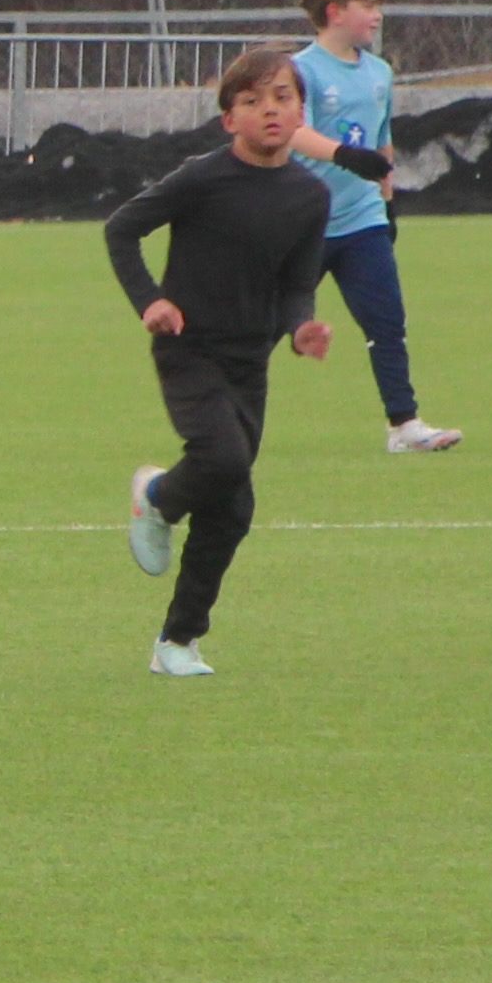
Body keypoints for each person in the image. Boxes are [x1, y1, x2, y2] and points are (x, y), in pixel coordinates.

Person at [109, 44, 336, 676]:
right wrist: (150, 301)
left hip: (249, 360)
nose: (270, 111)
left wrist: (299, 329)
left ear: (300, 112)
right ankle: (156, 495)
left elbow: (296, 284)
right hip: (188, 349)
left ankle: (176, 642)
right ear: (228, 119)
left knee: (234, 507)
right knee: (223, 457)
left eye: (283, 98)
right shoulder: (200, 178)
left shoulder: (309, 197)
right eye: (252, 101)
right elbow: (121, 229)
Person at [285, 0, 462, 454]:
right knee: (262, 325)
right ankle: (225, 415)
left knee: (386, 321)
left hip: (362, 221)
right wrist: (344, 156)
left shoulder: (380, 73)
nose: (378, 15)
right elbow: (295, 133)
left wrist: (388, 204)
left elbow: (382, 143)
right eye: (369, 5)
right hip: (305, 224)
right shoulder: (301, 71)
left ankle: (404, 426)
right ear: (335, 11)